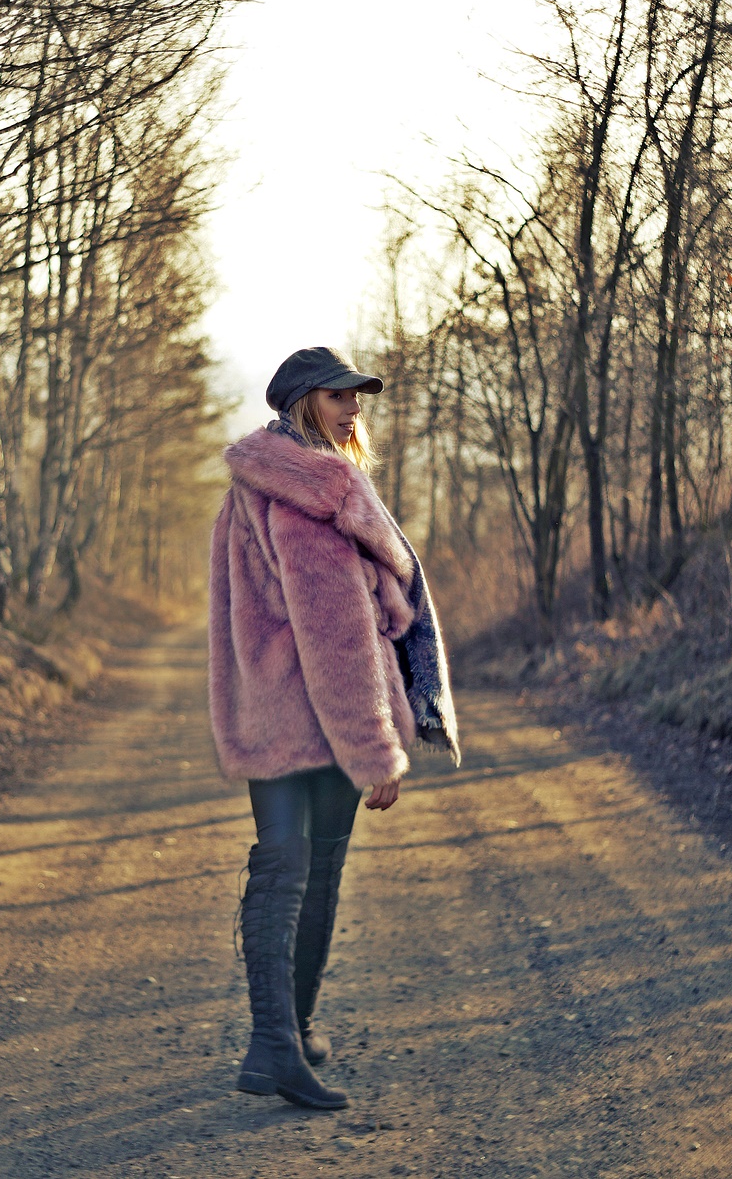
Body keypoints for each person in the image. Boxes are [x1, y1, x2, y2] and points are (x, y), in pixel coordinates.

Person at [208, 346, 460, 1110]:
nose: (353, 408)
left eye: (357, 397)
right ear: (301, 404)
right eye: (336, 396)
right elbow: (338, 631)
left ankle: (276, 1040)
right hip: (324, 715)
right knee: (313, 870)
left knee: (279, 863)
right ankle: (289, 1035)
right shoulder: (318, 489)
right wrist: (374, 750)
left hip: (268, 705)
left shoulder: (253, 485)